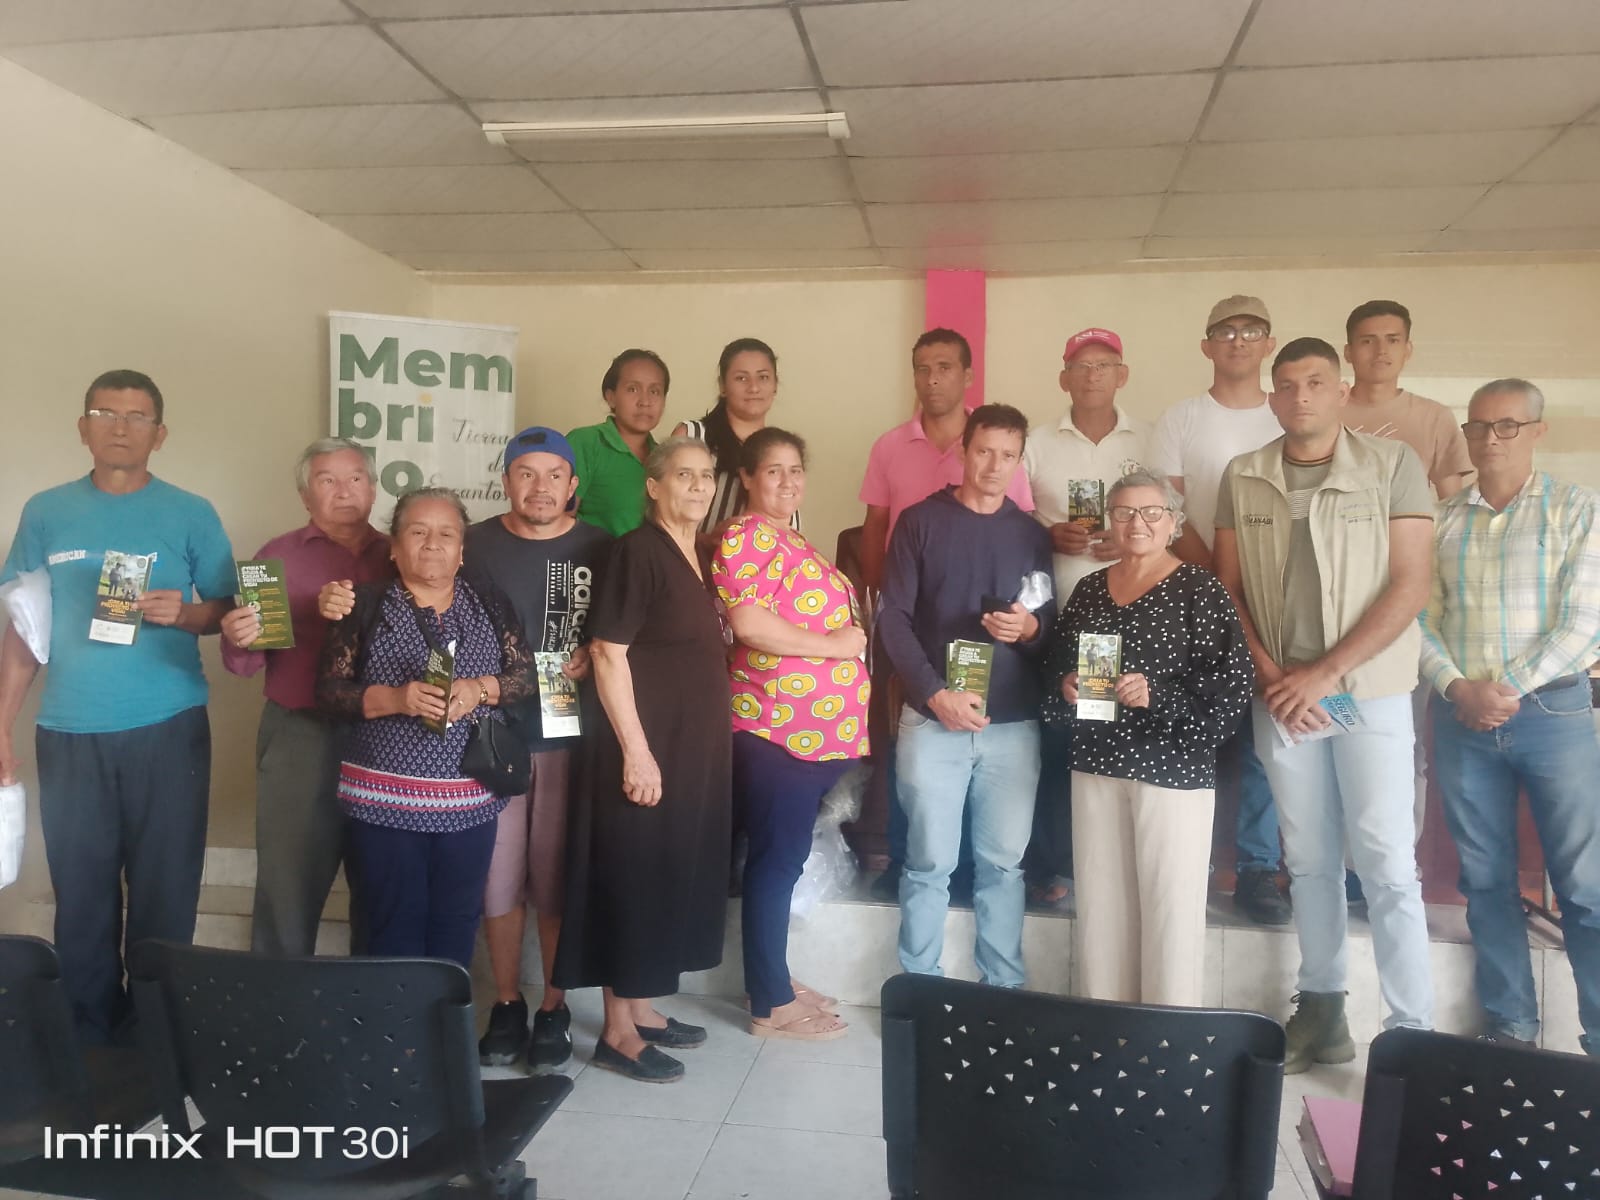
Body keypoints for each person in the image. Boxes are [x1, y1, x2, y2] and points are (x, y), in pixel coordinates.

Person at [1214, 337, 1436, 1073]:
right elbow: (1228, 589)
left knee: (1386, 860)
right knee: (1307, 859)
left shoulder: (1392, 465)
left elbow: (1410, 583)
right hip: (1281, 697)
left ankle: (1411, 1033)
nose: (1301, 395)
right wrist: (1274, 676)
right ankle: (1322, 1010)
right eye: (1287, 384)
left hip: (1367, 692)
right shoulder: (1244, 474)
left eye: (1315, 382)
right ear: (1273, 397)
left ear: (1341, 390)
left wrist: (1326, 673)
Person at [0, 369, 235, 1043]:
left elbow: (228, 609)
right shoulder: (46, 512)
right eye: (106, 414)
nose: (121, 427)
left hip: (169, 727)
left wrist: (184, 613)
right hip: (69, 729)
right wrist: (3, 727)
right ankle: (88, 1031)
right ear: (84, 428)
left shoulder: (191, 511)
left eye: (137, 417)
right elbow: (21, 626)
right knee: (81, 892)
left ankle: (158, 1031)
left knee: (166, 891)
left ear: (159, 434)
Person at [1419, 379, 1600, 1056]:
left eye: (1507, 426)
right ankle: (1511, 1027)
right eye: (1478, 427)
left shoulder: (1578, 509)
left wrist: (1503, 690)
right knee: (1485, 880)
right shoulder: (1441, 519)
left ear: (1537, 432)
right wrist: (1457, 687)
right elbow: (1418, 617)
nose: (1490, 439)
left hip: (1553, 713)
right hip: (1461, 718)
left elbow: (1585, 621)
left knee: (1585, 884)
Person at [553, 438, 732, 1083]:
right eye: (684, 475)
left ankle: (643, 1009)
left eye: (706, 476)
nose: (698, 486)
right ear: (653, 487)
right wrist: (637, 753)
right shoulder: (637, 550)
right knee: (631, 876)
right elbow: (608, 651)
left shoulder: (695, 553)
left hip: (684, 748)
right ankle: (618, 1033)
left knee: (661, 873)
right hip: (642, 746)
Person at [1045, 470, 1251, 1007]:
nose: (1137, 523)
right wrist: (1066, 685)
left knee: (1170, 911)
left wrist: (1158, 695)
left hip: (1171, 771)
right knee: (1102, 909)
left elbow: (1231, 687)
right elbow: (1056, 665)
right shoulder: (1090, 589)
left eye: (1151, 512)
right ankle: (1107, 1026)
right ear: (1110, 520)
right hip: (1096, 763)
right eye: (1124, 513)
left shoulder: (1200, 589)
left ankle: (1167, 1035)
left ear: (1173, 521)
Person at [316, 488, 534, 969]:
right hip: (383, 807)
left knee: (457, 923)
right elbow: (329, 693)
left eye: (446, 534)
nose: (432, 543)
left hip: (470, 807)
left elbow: (524, 678)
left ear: (461, 551)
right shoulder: (363, 605)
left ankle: (444, 1018)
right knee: (389, 925)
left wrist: (478, 689)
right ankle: (393, 1019)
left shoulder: (489, 602)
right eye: (418, 532)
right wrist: (396, 698)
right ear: (394, 547)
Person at [878, 404, 1055, 990]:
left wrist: (1028, 630)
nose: (994, 466)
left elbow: (1048, 625)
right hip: (933, 721)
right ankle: (919, 989)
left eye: (1008, 455)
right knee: (929, 863)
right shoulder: (920, 523)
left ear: (1020, 461)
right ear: (963, 451)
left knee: (1004, 867)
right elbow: (892, 620)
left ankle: (1003, 990)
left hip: (1012, 724)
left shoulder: (1031, 534)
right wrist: (934, 694)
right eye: (984, 451)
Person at [858, 329, 1033, 899]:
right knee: (909, 750)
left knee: (997, 838)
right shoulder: (892, 451)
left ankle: (973, 881)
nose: (932, 379)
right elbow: (875, 530)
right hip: (916, 630)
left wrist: (1026, 626)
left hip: (992, 667)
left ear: (967, 375)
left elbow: (1021, 545)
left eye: (945, 367)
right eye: (923, 368)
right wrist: (885, 606)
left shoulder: (1000, 460)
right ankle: (904, 863)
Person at [461, 427, 612, 1073]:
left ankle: (553, 1006)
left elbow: (623, 634)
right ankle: (505, 1002)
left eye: (554, 475)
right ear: (506, 482)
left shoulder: (600, 548)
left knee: (553, 876)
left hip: (570, 740)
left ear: (573, 484)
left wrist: (595, 653)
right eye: (526, 473)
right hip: (489, 739)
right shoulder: (473, 545)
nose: (541, 487)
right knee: (497, 879)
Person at [711, 428, 868, 1041]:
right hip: (776, 730)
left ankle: (774, 977)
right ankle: (769, 1003)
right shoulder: (744, 536)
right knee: (775, 862)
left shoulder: (791, 539)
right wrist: (837, 647)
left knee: (783, 858)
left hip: (807, 737)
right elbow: (750, 624)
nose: (786, 481)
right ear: (748, 478)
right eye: (772, 470)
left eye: (795, 470)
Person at [1146, 295, 1291, 927]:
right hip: (1190, 597)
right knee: (1188, 726)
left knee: (1264, 738)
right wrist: (1215, 581)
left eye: (1251, 330)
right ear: (1206, 344)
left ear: (1268, 343)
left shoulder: (1286, 414)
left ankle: (1259, 870)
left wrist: (1242, 588)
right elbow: (1168, 511)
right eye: (1225, 332)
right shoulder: (1180, 418)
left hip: (1274, 600)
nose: (1238, 340)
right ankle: (1191, 862)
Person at [220, 437, 390, 957]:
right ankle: (279, 998)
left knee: (384, 884)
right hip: (301, 735)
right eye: (327, 480)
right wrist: (238, 635)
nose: (345, 491)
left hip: (386, 735)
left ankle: (374, 996)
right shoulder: (278, 557)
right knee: (287, 882)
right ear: (305, 495)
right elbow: (244, 665)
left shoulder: (400, 554)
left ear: (373, 488)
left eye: (356, 478)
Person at [1342, 299, 1476, 865]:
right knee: (1334, 730)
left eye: (1392, 339)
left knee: (1403, 740)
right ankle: (1342, 865)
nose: (1380, 350)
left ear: (1408, 349)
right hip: (1334, 605)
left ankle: (1393, 863)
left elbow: (1456, 508)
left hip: (1406, 605)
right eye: (1367, 340)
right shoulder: (1328, 408)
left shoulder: (1433, 418)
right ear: (1349, 350)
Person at [1021, 326, 1148, 906]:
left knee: (1117, 740)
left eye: (1104, 364)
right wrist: (1048, 534)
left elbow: (1171, 519)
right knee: (1058, 742)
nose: (1092, 374)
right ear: (1064, 377)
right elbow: (1010, 519)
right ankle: (1055, 867)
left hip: (1127, 617)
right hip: (1056, 621)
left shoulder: (1148, 439)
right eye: (1081, 365)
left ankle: (1111, 867)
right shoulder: (1036, 443)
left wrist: (1132, 540)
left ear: (1122, 375)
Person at [672, 337, 797, 534]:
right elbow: (663, 518)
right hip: (692, 555)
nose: (754, 387)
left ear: (775, 385)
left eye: (763, 377)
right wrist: (709, 541)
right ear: (722, 385)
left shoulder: (783, 450)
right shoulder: (692, 436)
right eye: (741, 378)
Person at [567, 349, 670, 537]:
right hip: (595, 556)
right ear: (611, 397)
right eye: (632, 389)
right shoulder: (586, 443)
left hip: (649, 556)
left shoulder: (664, 458)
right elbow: (558, 521)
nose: (645, 401)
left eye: (655, 391)